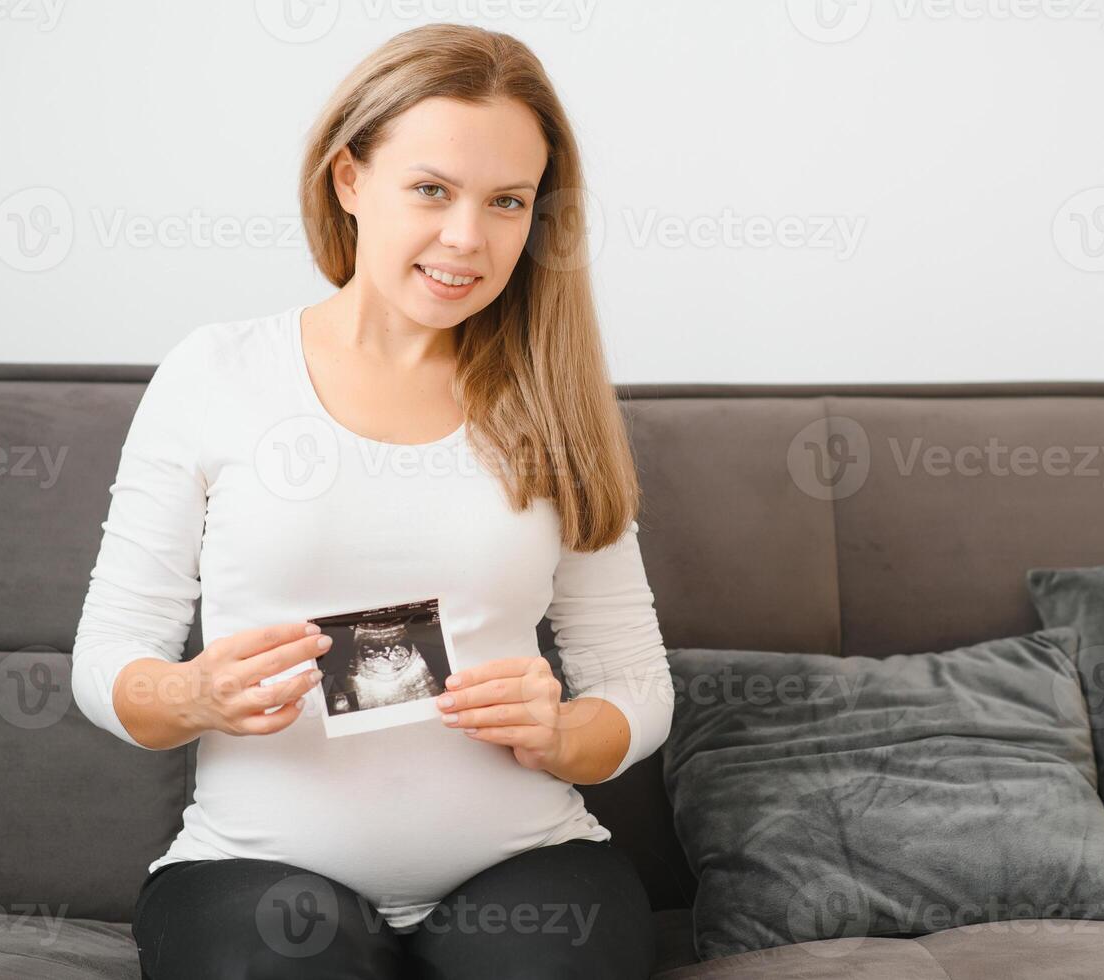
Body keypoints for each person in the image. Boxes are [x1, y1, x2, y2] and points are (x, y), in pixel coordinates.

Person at [70, 23, 671, 980]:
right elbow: (105, 661)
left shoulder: (557, 403)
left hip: (521, 861)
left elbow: (637, 687)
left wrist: (565, 734)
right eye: (431, 188)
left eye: (506, 202)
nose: (466, 238)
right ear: (349, 180)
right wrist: (190, 694)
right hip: (255, 867)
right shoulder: (215, 374)